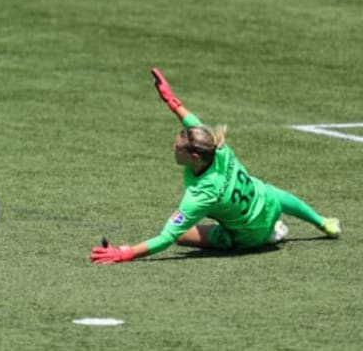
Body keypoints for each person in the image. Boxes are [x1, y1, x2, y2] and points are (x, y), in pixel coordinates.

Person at [90, 68, 341, 264]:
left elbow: (166, 237)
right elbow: (192, 122)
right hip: (269, 204)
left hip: (249, 236)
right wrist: (169, 98)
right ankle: (323, 222)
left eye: (178, 148)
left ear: (195, 157)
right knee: (269, 191)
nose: (173, 149)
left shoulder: (200, 194)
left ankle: (267, 235)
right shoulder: (216, 147)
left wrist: (125, 253)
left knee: (183, 235)